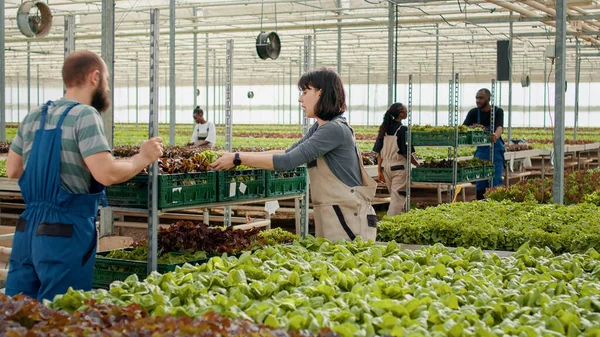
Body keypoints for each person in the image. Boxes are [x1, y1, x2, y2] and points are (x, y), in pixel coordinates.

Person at [5, 50, 164, 301]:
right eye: (108, 81)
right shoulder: (85, 115)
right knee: (61, 313)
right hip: (65, 233)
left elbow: (13, 170)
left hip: (27, 231)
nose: (108, 88)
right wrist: (142, 158)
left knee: (18, 315)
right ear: (95, 77)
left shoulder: (34, 116)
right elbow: (107, 173)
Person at [210, 68, 378, 242]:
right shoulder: (321, 127)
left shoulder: (333, 129)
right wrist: (236, 154)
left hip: (349, 218)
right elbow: (288, 152)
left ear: (320, 93)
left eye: (305, 92)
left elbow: (287, 161)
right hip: (336, 213)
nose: (300, 99)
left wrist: (238, 159)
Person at [373, 103, 419, 216]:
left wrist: (379, 170)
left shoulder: (384, 128)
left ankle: (399, 220)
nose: (407, 112)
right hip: (399, 168)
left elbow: (378, 152)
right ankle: (390, 223)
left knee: (395, 197)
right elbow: (406, 153)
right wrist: (418, 165)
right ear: (400, 114)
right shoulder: (403, 130)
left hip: (386, 168)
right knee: (398, 198)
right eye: (405, 111)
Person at [463, 88, 505, 200]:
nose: (478, 100)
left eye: (481, 98)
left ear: (488, 98)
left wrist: (495, 136)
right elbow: (463, 128)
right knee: (480, 183)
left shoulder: (497, 111)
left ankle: (496, 205)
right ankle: (480, 205)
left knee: (495, 181)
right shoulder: (473, 113)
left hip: (495, 152)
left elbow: (500, 127)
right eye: (476, 98)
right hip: (481, 153)